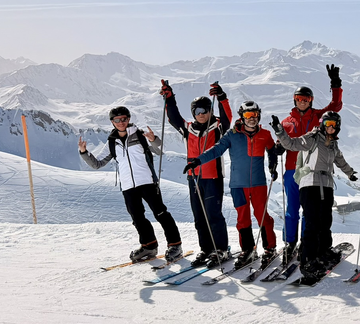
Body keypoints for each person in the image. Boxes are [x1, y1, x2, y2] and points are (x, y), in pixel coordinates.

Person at [79, 106, 182, 263]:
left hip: (147, 181)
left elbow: (159, 151)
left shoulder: (140, 136)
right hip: (128, 187)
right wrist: (84, 153)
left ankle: (175, 245)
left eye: (124, 119)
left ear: (129, 119)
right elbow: (98, 164)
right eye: (117, 120)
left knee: (160, 213)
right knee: (137, 218)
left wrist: (154, 140)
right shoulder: (112, 143)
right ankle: (149, 246)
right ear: (112, 122)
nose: (121, 122)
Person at [185, 100, 279, 269]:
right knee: (242, 218)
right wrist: (197, 161)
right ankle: (248, 249)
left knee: (262, 216)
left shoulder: (265, 134)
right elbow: (216, 150)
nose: (252, 119)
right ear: (242, 117)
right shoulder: (232, 135)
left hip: (258, 184)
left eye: (254, 115)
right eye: (248, 115)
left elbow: (272, 149)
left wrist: (273, 164)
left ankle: (270, 248)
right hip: (238, 185)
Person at [270, 111, 357, 277]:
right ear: (322, 124)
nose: (330, 127)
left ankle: (323, 251)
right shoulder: (312, 138)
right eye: (327, 123)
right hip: (310, 184)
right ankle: (308, 259)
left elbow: (339, 160)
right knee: (312, 222)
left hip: (327, 185)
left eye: (334, 124)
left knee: (325, 222)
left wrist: (350, 173)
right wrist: (279, 131)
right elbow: (291, 144)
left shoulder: (333, 144)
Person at [274, 64, 343, 266]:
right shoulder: (287, 121)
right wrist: (276, 150)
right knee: (292, 209)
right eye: (299, 99)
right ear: (295, 100)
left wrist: (335, 83)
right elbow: (281, 142)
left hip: (309, 172)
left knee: (309, 211)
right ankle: (290, 242)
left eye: (306, 99)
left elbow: (336, 106)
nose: (302, 102)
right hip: (290, 170)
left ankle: (307, 243)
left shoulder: (317, 117)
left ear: (311, 101)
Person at [160, 80, 233, 268]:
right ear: (194, 113)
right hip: (193, 177)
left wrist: (222, 97)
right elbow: (174, 118)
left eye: (205, 111)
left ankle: (221, 249)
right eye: (198, 112)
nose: (202, 115)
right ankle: (206, 249)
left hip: (213, 176)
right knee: (199, 215)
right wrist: (169, 97)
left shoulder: (217, 127)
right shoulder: (188, 129)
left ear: (210, 111)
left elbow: (227, 118)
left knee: (213, 214)